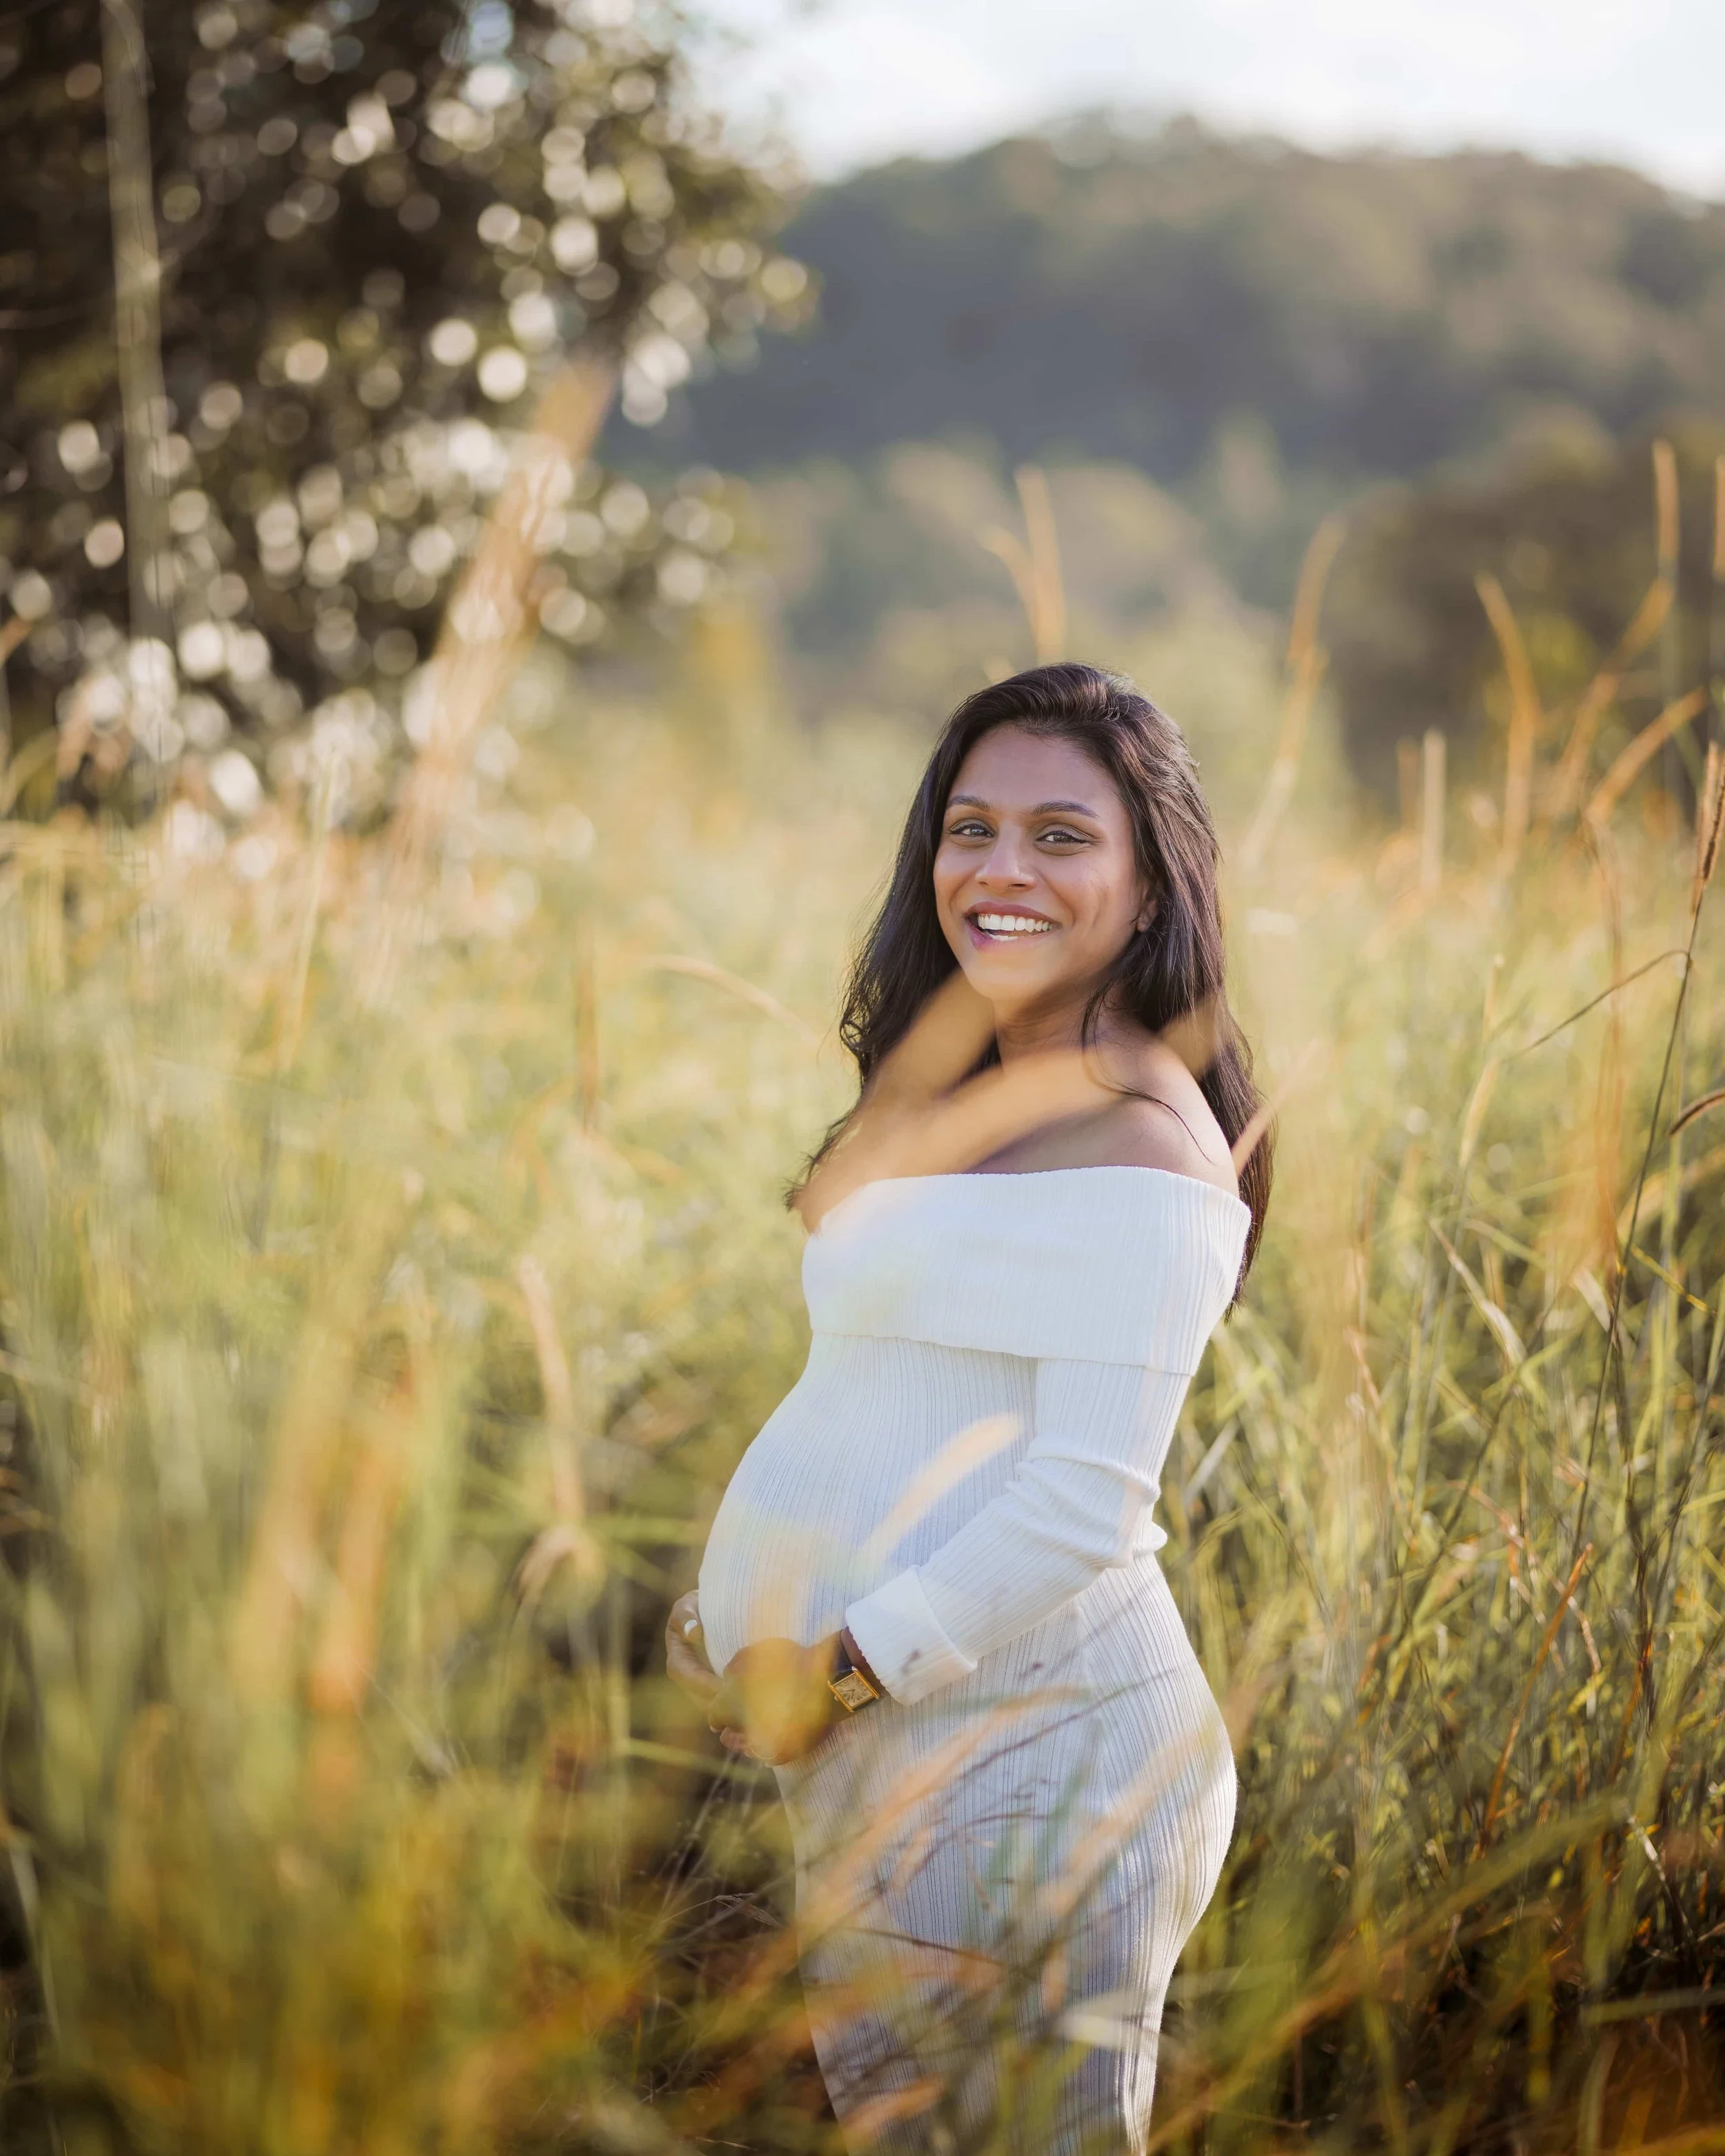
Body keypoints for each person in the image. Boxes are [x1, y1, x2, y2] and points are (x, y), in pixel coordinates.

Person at [667, 663, 1272, 2153]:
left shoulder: (1141, 1141)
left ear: (1145, 888)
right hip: (902, 1740)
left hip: (1037, 1753)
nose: (999, 869)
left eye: (1060, 836)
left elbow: (1080, 1499)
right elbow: (885, 1382)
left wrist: (837, 1670)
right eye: (970, 826)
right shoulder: (977, 1084)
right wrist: (737, 1611)